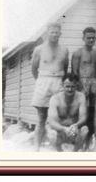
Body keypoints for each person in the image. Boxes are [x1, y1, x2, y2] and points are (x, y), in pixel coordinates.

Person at [31, 22, 69, 151]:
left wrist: (58, 81)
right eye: (52, 32)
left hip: (58, 81)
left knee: (59, 116)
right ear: (47, 33)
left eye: (56, 32)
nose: (54, 34)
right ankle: (36, 146)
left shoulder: (64, 50)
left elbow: (65, 67)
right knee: (41, 117)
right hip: (43, 81)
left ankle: (57, 146)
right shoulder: (39, 49)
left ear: (60, 34)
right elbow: (34, 69)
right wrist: (42, 82)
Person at [71, 27, 96, 149]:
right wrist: (81, 86)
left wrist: (92, 81)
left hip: (94, 82)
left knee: (94, 112)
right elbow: (74, 72)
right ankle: (79, 140)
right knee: (81, 112)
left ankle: (91, 140)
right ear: (83, 38)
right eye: (88, 38)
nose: (91, 40)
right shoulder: (77, 53)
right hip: (81, 83)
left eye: (93, 38)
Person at [47, 74, 88, 151]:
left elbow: (83, 117)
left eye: (72, 86)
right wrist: (63, 129)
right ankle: (60, 153)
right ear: (63, 85)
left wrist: (76, 125)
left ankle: (74, 153)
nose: (70, 89)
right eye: (67, 86)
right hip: (59, 129)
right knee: (51, 134)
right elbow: (52, 121)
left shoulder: (81, 97)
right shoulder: (55, 99)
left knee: (85, 130)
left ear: (76, 86)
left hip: (74, 129)